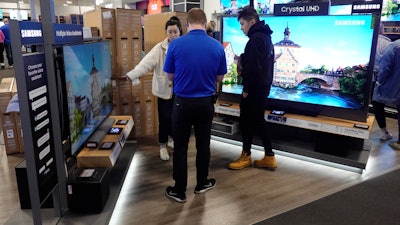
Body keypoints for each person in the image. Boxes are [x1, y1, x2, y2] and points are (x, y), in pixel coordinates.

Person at [163, 8, 227, 203]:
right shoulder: (217, 46)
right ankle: (201, 183)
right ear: (206, 23)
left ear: (188, 23)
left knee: (180, 147)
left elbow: (170, 76)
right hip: (205, 103)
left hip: (182, 103)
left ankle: (179, 191)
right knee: (203, 145)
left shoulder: (175, 45)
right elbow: (220, 77)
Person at [124, 16, 183, 161]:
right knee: (164, 119)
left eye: (175, 32)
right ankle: (163, 145)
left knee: (177, 119)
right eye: (170, 32)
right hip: (164, 91)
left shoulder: (184, 47)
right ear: (166, 33)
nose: (173, 35)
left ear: (180, 32)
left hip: (180, 91)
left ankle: (172, 139)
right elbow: (146, 63)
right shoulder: (159, 48)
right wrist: (132, 75)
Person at [228, 6, 277, 170]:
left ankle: (246, 155)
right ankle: (269, 156)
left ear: (252, 21)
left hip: (254, 89)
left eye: (242, 24)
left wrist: (246, 89)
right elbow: (264, 65)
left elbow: (253, 68)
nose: (241, 28)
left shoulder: (255, 39)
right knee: (258, 120)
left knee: (245, 121)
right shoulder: (266, 38)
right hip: (263, 88)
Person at [373, 39, 400, 150]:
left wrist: (380, 82)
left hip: (395, 86)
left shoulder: (395, 46)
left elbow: (385, 68)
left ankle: (385, 133)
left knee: (377, 103)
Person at [371, 22, 392, 141]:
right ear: (383, 30)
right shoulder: (389, 44)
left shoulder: (371, 42)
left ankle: (384, 131)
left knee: (377, 106)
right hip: (387, 80)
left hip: (373, 80)